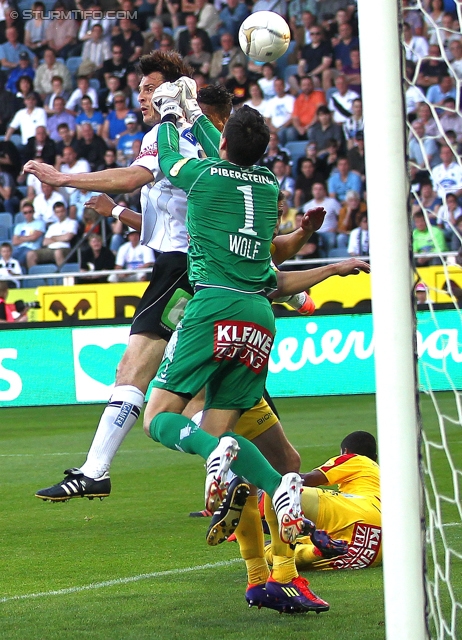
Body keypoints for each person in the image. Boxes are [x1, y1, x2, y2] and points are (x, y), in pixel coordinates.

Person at [265, 431, 382, 571]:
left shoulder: (357, 459)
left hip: (361, 513)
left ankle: (244, 513)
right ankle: (316, 552)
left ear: (345, 452)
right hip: (374, 550)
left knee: (280, 491)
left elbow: (306, 480)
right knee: (274, 551)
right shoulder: (384, 476)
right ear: (375, 457)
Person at [286, 76, 326, 142]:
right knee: (290, 132)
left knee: (311, 131)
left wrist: (308, 126)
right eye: (304, 85)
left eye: (309, 85)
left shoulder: (318, 94)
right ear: (301, 86)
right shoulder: (298, 99)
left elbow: (319, 112)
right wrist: (299, 128)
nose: (307, 87)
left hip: (315, 125)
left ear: (312, 85)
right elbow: (295, 118)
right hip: (301, 127)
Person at [11, 201, 46, 269]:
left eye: (30, 212)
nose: (28, 214)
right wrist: (29, 238)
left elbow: (34, 237)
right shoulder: (19, 226)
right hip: (19, 249)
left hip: (32, 248)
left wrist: (21, 238)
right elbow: (15, 241)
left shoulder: (40, 223)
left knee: (19, 261)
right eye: (25, 213)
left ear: (33, 212)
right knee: (8, 258)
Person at [263, 77, 295, 146]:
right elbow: (266, 119)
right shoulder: (271, 102)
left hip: (287, 127)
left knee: (290, 132)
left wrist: (282, 127)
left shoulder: (291, 99)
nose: (278, 87)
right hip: (274, 129)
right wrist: (272, 128)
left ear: (284, 86)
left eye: (280, 85)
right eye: (276, 85)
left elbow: (293, 116)